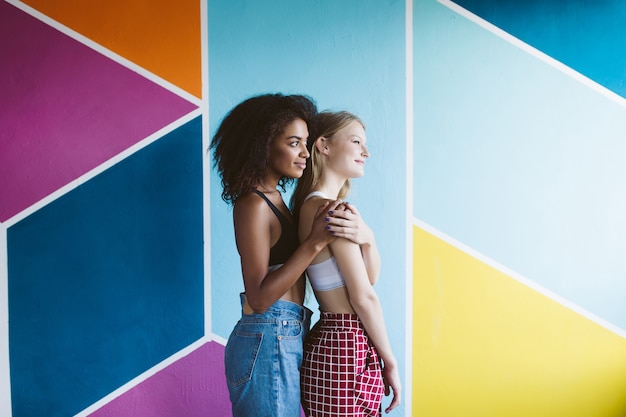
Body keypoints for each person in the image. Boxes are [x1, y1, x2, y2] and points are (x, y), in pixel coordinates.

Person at [210, 94, 365, 417]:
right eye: (294, 143)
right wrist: (314, 242)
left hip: (286, 332)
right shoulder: (252, 204)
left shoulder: (276, 198)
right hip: (268, 334)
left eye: (306, 143)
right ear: (262, 144)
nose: (304, 154)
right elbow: (259, 296)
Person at [292, 111, 402, 416]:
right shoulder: (332, 210)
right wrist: (390, 362)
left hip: (330, 342)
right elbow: (364, 296)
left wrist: (369, 238)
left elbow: (369, 278)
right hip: (346, 348)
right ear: (324, 145)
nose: (366, 152)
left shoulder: (311, 205)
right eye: (356, 141)